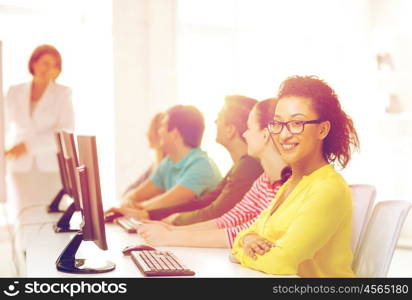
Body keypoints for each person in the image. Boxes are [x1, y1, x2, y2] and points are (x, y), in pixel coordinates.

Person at [231, 75, 360, 277]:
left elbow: (280, 263)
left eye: (297, 123)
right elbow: (246, 234)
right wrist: (246, 241)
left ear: (323, 129)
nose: (283, 135)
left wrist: (241, 252)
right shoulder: (291, 183)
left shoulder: (328, 188)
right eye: (278, 123)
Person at [137, 98, 289, 247]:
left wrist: (170, 236)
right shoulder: (263, 181)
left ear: (265, 135)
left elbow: (247, 230)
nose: (245, 134)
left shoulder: (284, 186)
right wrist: (171, 230)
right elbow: (230, 219)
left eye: (249, 128)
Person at [135, 95, 263, 221]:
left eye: (219, 118)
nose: (215, 122)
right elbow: (203, 203)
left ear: (230, 130)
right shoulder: (237, 167)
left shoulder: (247, 166)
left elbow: (215, 213)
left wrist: (173, 222)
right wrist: (152, 215)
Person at [108, 105, 222, 214]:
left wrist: (128, 208)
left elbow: (159, 205)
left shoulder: (201, 166)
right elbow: (136, 195)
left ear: (175, 134)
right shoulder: (168, 162)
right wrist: (128, 201)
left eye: (162, 126)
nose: (159, 131)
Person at [4, 44, 75, 214]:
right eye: (45, 63)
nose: (49, 69)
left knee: (50, 216)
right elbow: (3, 124)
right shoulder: (15, 92)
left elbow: (65, 131)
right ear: (34, 63)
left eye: (54, 65)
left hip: (50, 167)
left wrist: (28, 146)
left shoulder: (62, 93)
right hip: (20, 167)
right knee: (24, 214)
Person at [122, 112, 165, 196]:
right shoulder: (153, 166)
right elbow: (128, 192)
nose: (147, 133)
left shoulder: (167, 167)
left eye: (151, 128)